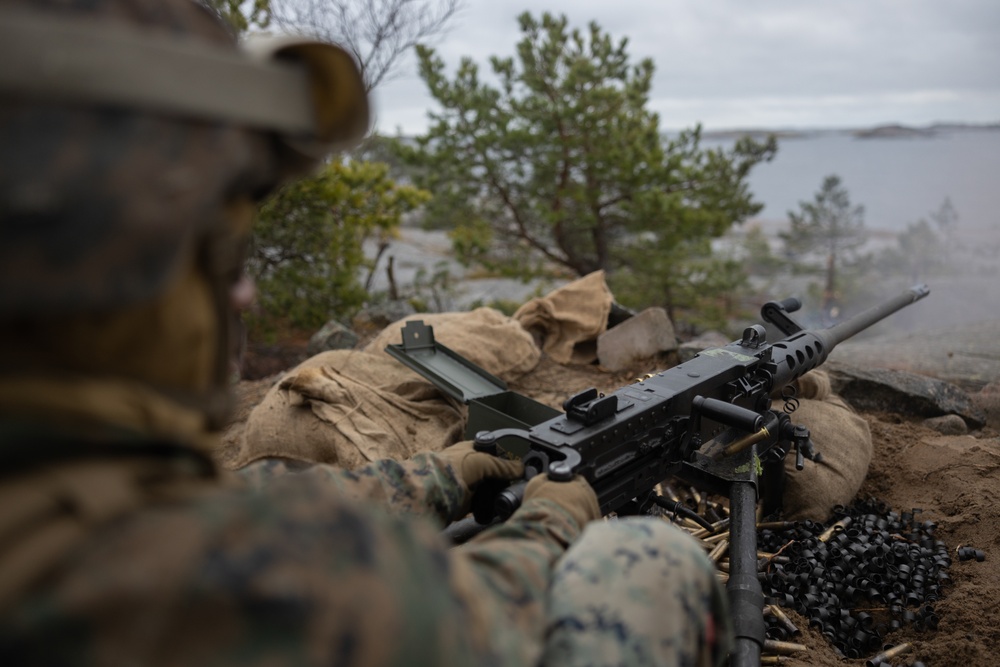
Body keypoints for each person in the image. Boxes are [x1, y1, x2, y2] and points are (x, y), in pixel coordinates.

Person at [0, 1, 731, 665]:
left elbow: (252, 503)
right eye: (214, 247)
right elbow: (466, 620)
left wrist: (443, 473)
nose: (244, 289)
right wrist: (548, 523)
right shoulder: (244, 582)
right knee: (650, 559)